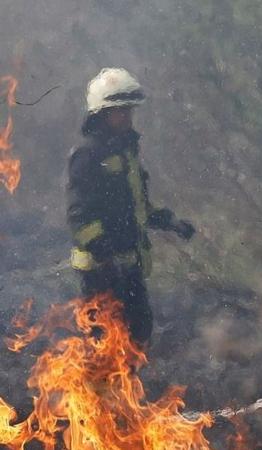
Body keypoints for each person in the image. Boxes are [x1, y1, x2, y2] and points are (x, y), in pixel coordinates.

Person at [67, 68, 194, 346]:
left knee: (138, 333)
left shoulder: (126, 151)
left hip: (128, 262)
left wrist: (170, 222)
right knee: (104, 342)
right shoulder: (88, 154)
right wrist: (102, 251)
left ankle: (126, 390)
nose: (126, 117)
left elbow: (136, 206)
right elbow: (79, 213)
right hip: (99, 270)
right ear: (101, 113)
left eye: (129, 110)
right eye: (119, 111)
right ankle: (97, 390)